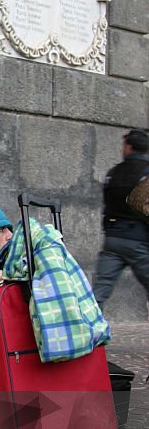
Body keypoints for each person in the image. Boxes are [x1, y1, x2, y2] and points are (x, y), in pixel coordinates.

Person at [93, 128, 149, 309]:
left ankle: (90, 331)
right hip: (139, 240)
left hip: (113, 240)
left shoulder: (114, 172)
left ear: (129, 147)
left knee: (99, 292)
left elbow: (107, 204)